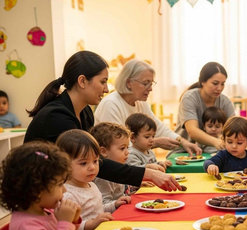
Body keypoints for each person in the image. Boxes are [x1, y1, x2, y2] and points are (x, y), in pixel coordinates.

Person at [23, 51, 180, 192]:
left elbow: (95, 159)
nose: (106, 89)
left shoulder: (84, 112)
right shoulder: (57, 117)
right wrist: (147, 174)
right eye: (103, 82)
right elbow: (96, 163)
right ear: (83, 81)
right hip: (40, 193)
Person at [94, 59, 201, 156]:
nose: (150, 89)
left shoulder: (140, 103)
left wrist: (183, 142)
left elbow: (159, 128)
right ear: (129, 83)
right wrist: (155, 142)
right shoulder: (111, 104)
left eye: (151, 83)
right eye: (146, 83)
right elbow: (119, 146)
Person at [56, 129, 115, 230]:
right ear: (65, 164)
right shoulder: (67, 194)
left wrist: (114, 205)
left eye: (95, 161)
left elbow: (98, 209)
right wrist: (92, 223)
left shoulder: (91, 185)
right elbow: (69, 229)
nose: (92, 167)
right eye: (83, 163)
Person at [174, 62, 235, 151]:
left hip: (214, 152)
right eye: (215, 83)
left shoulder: (226, 102)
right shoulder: (189, 98)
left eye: (222, 84)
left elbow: (233, 128)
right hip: (184, 152)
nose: (219, 88)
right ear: (203, 82)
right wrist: (217, 142)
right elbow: (193, 131)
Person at [90, 122, 132, 211]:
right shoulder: (104, 178)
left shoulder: (119, 166)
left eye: (127, 147)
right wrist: (116, 204)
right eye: (122, 148)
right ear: (104, 152)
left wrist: (133, 187)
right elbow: (102, 205)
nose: (127, 152)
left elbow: (121, 192)